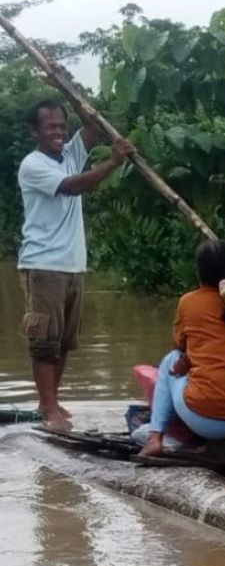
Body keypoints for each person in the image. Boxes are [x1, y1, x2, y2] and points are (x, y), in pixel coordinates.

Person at [18, 99, 134, 430]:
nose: (58, 131)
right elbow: (72, 187)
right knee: (44, 340)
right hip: (44, 264)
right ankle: (48, 406)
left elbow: (93, 125)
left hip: (72, 265)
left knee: (65, 340)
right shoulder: (33, 164)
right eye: (50, 126)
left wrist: (64, 88)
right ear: (35, 132)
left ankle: (52, 401)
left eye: (61, 125)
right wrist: (112, 163)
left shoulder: (70, 154)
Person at [138, 240, 225, 457]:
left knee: (171, 359)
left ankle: (154, 438)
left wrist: (189, 359)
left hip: (208, 423)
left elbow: (181, 346)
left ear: (201, 273)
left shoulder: (189, 303)